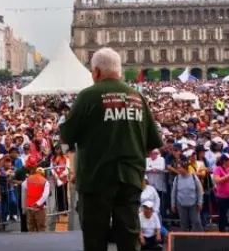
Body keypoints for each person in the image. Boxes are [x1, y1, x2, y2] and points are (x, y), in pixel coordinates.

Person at [60, 47, 164, 251]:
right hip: (130, 180)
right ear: (120, 71)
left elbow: (67, 138)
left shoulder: (88, 96)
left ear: (96, 71)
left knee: (95, 240)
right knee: (129, 239)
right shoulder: (137, 97)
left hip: (95, 179)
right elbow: (151, 144)